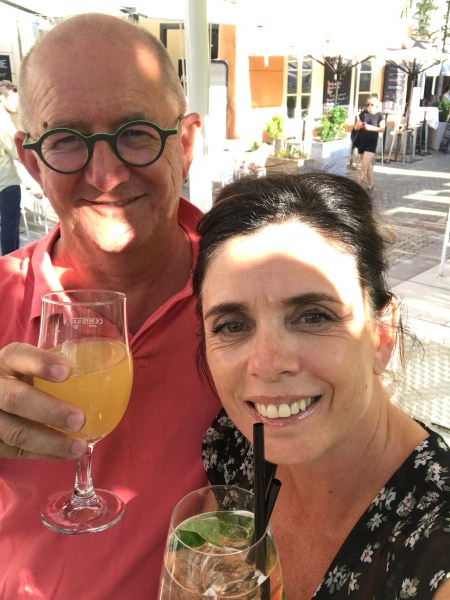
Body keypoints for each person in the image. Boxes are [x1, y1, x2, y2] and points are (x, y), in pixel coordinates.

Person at [0, 13, 220, 599]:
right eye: (67, 139)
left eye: (136, 132)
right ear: (32, 162)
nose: (106, 175)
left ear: (186, 143)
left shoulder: (252, 297)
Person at [193, 172, 450, 599]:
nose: (268, 365)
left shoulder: (435, 541)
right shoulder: (235, 447)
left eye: (314, 316)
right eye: (232, 325)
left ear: (382, 332)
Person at [0, 80, 22, 255]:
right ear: (2, 98)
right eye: (14, 99)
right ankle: (11, 260)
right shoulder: (3, 121)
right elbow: (18, 153)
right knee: (10, 224)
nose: (17, 103)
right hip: (6, 183)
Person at [353, 94, 385, 190]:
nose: (369, 106)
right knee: (367, 166)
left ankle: (356, 187)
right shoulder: (363, 113)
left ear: (376, 105)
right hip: (362, 142)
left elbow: (382, 129)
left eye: (372, 104)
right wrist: (359, 125)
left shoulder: (380, 115)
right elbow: (355, 127)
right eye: (368, 104)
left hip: (371, 143)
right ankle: (371, 184)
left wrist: (371, 128)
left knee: (364, 165)